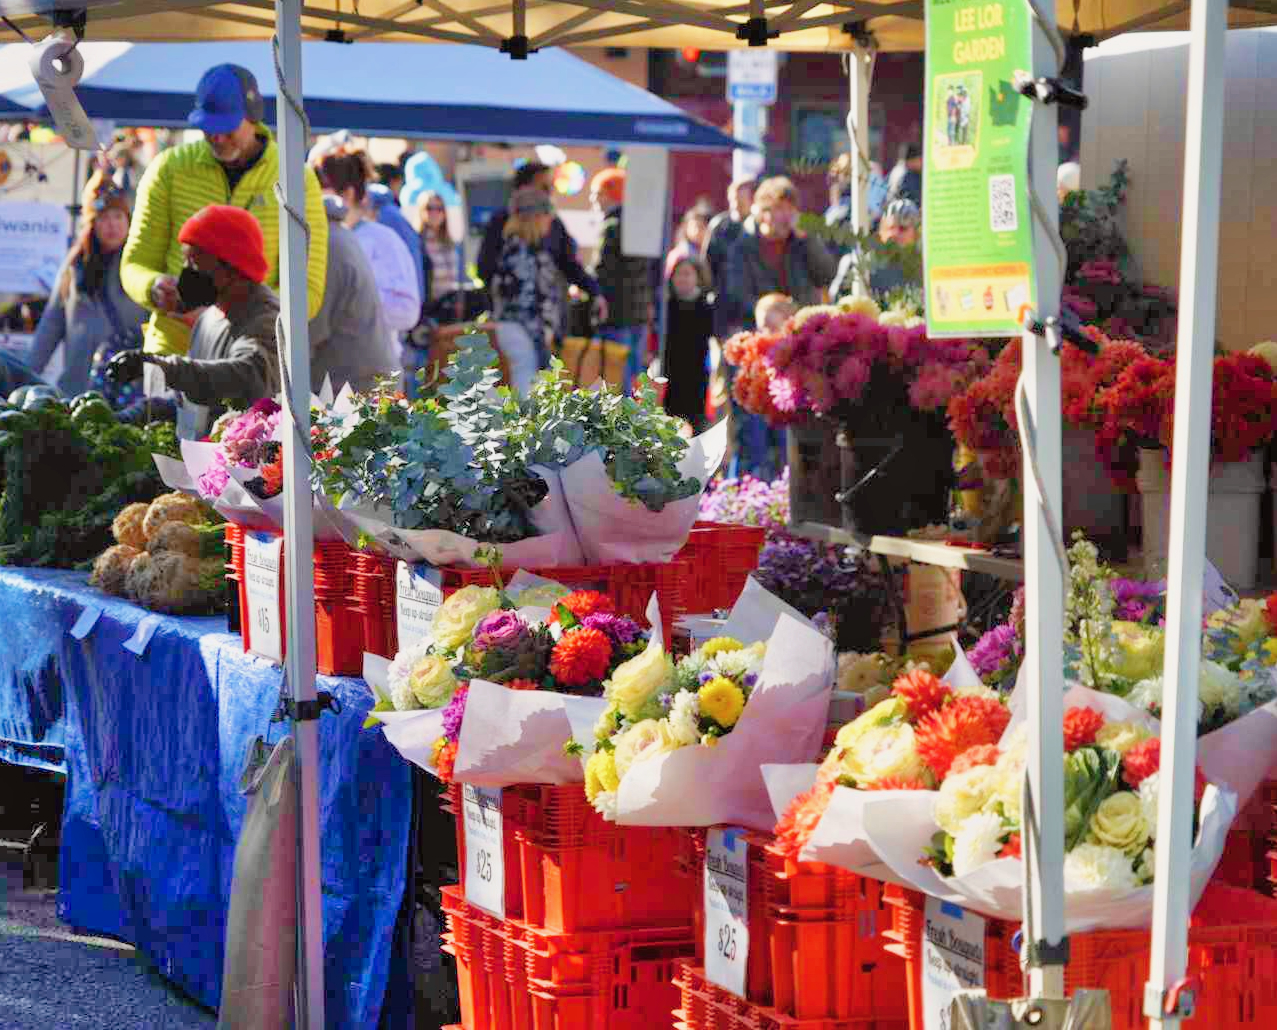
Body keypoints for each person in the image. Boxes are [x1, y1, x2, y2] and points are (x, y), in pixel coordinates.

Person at [120, 63, 327, 362]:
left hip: (255, 356)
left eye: (226, 128)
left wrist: (231, 317)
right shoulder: (169, 169)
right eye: (207, 128)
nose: (216, 138)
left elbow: (307, 290)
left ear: (253, 118)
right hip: (174, 353)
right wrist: (153, 287)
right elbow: (135, 264)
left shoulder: (296, 178)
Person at [107, 205, 281, 439]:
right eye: (186, 262)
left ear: (231, 267)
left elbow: (245, 377)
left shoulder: (265, 317)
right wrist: (136, 414)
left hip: (244, 467)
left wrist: (165, 368)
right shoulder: (209, 317)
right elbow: (189, 398)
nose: (186, 274)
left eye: (195, 264)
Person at [29, 172, 148, 400]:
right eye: (103, 218)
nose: (111, 225)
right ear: (91, 224)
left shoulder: (141, 264)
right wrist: (25, 376)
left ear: (128, 219)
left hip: (128, 389)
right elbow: (50, 326)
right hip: (78, 387)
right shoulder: (75, 266)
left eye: (117, 216)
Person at [317, 150, 421, 367]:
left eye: (318, 193)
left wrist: (351, 303)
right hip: (324, 367)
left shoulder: (382, 239)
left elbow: (407, 311)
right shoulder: (313, 238)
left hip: (371, 371)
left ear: (346, 194)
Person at [476, 161, 602, 318]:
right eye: (544, 187)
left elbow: (570, 264)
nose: (550, 192)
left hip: (543, 323)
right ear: (524, 191)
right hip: (517, 323)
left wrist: (595, 292)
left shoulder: (554, 224)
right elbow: (486, 268)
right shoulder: (504, 229)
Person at [309, 194, 400, 395]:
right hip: (367, 379)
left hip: (355, 386)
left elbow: (310, 331)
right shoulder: (340, 233)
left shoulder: (326, 244)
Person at [725, 175, 837, 319]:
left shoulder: (802, 240)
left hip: (802, 325)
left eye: (790, 209)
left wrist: (808, 240)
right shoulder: (743, 246)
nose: (787, 216)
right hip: (764, 329)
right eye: (779, 208)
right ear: (763, 213)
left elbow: (826, 276)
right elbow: (738, 295)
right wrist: (768, 311)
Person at [590, 168, 659, 395]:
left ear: (611, 194)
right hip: (638, 311)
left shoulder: (612, 225)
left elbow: (601, 269)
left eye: (596, 193)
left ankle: (617, 426)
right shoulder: (640, 223)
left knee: (614, 377)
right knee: (631, 373)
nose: (593, 200)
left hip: (615, 311)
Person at [488, 187, 563, 393]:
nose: (551, 220)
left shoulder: (512, 247)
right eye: (548, 214)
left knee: (526, 385)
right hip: (524, 330)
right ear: (536, 217)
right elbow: (528, 299)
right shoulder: (525, 252)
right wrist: (542, 336)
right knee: (527, 390)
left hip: (512, 327)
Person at [829, 197, 922, 301]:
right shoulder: (857, 264)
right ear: (881, 231)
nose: (894, 234)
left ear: (916, 234)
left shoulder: (925, 269)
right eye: (890, 228)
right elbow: (837, 304)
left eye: (902, 228)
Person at [663, 256, 714, 432]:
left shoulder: (706, 307)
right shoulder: (666, 306)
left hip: (697, 375)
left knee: (696, 422)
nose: (682, 278)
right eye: (678, 274)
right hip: (670, 372)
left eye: (687, 274)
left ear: (697, 277)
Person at [702, 177, 755, 338]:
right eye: (734, 199)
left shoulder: (759, 226)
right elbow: (707, 263)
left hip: (750, 304)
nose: (736, 204)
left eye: (741, 199)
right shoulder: (719, 225)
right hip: (723, 302)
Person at [416, 189, 463, 319]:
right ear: (421, 211)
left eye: (439, 208)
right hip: (430, 309)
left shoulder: (450, 242)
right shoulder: (418, 242)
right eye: (429, 208)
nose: (434, 213)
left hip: (450, 305)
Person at [663, 203, 713, 280]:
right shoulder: (680, 254)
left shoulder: (709, 252)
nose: (698, 231)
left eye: (702, 227)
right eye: (695, 226)